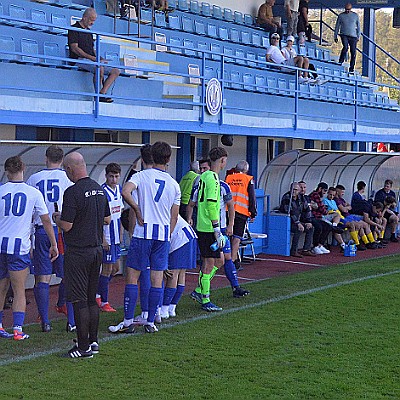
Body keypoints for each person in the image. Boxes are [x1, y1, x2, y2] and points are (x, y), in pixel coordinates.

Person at [109, 141, 180, 334]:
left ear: (147, 157)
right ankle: (150, 321)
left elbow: (125, 191)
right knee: (157, 278)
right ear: (168, 159)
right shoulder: (174, 184)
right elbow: (174, 216)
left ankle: (128, 320)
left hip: (143, 233)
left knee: (133, 276)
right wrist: (168, 234)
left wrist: (137, 208)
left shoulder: (141, 176)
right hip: (162, 235)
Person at [53, 152, 111, 358]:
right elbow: (107, 219)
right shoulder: (98, 189)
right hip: (96, 250)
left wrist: (58, 218)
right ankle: (93, 341)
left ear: (70, 169)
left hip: (78, 252)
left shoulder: (72, 192)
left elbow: (67, 226)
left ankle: (83, 347)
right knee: (90, 298)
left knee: (78, 300)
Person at [0, 156, 58, 341]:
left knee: (1, 288)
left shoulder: (1, 191)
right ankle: (17, 329)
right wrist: (54, 243)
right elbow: (46, 220)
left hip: (1, 245)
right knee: (18, 290)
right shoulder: (33, 193)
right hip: (19, 247)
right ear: (23, 168)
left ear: (6, 171)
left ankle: (0, 326)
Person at [26, 145, 73, 333]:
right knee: (68, 275)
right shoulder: (67, 179)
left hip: (41, 231)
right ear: (62, 160)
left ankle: (44, 320)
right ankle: (70, 319)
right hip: (62, 230)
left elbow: (30, 210)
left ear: (46, 158)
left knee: (42, 277)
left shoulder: (34, 178)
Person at [68, 8, 120, 103]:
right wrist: (92, 58)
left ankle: (102, 93)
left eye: (94, 20)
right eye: (91, 20)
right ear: (84, 18)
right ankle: (98, 95)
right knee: (99, 67)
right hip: (79, 60)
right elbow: (75, 48)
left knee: (115, 71)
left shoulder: (89, 32)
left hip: (90, 60)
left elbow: (92, 49)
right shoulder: (73, 29)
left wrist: (100, 58)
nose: (92, 22)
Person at [95, 163, 124, 313]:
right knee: (106, 268)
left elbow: (119, 214)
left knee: (116, 268)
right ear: (106, 176)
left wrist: (120, 233)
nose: (113, 179)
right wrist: (102, 239)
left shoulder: (119, 190)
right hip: (106, 236)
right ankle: (104, 302)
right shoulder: (102, 192)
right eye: (111, 176)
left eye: (116, 176)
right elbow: (98, 218)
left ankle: (97, 293)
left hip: (116, 238)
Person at [160, 215, 197, 319]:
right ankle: (172, 307)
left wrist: (164, 262)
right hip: (188, 235)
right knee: (181, 273)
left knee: (173, 273)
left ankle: (164, 308)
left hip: (180, 238)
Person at [225, 160, 257, 270]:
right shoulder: (248, 179)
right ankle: (232, 262)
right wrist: (253, 213)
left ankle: (231, 259)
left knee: (228, 237)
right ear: (246, 169)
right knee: (237, 238)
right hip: (241, 211)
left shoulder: (228, 178)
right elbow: (252, 197)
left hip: (227, 210)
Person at [279, 182, 315, 257]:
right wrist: (298, 223)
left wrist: (308, 221)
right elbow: (289, 212)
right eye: (292, 189)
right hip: (287, 222)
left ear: (299, 191)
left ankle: (306, 249)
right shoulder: (287, 197)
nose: (294, 192)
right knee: (298, 229)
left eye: (296, 190)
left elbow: (307, 210)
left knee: (310, 228)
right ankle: (293, 250)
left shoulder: (301, 198)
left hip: (297, 221)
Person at [334, 3, 360, 73]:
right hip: (344, 34)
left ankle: (351, 68)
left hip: (353, 36)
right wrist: (335, 36)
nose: (347, 11)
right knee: (345, 47)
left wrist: (358, 36)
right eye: (346, 9)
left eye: (348, 10)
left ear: (351, 9)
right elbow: (337, 26)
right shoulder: (341, 16)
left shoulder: (355, 15)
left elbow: (358, 27)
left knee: (353, 52)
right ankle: (341, 61)